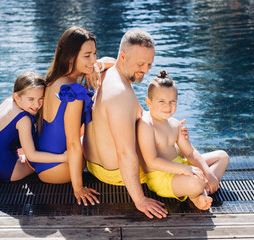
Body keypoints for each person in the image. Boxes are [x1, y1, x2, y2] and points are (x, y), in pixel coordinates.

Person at [83, 29, 188, 219]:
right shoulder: (120, 95)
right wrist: (139, 199)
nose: (147, 70)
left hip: (93, 165)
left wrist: (97, 65)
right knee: (174, 149)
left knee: (170, 132)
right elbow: (125, 153)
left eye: (150, 63)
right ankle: (194, 193)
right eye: (141, 63)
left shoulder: (109, 70)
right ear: (123, 56)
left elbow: (108, 60)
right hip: (115, 174)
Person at [30, 26, 115, 206]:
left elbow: (113, 61)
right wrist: (78, 188)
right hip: (57, 170)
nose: (92, 60)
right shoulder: (74, 92)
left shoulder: (55, 79)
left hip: (40, 161)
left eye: (94, 54)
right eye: (87, 56)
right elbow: (73, 143)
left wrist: (96, 67)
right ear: (70, 57)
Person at [137, 70, 229, 210]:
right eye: (161, 101)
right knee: (197, 183)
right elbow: (152, 161)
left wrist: (208, 172)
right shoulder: (146, 124)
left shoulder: (175, 124)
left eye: (172, 101)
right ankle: (198, 194)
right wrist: (186, 169)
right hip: (162, 177)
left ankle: (203, 188)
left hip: (182, 167)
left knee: (222, 156)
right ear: (149, 102)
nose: (168, 106)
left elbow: (190, 153)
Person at [0, 72, 67, 182]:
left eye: (41, 98)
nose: (37, 104)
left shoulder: (8, 102)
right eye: (31, 99)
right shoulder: (24, 120)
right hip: (8, 171)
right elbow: (32, 156)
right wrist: (63, 157)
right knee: (49, 167)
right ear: (17, 97)